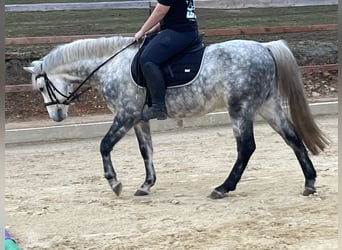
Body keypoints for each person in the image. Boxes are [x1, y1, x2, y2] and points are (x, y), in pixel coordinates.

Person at [134, 0, 199, 120]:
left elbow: (161, 10)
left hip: (179, 32)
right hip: (186, 29)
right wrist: (153, 29)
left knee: (147, 59)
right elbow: (174, 12)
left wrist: (142, 31)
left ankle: (158, 107)